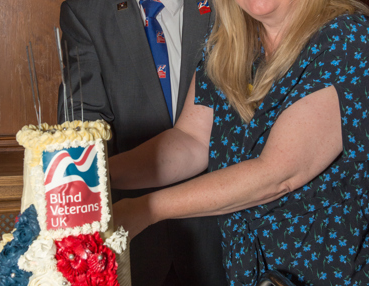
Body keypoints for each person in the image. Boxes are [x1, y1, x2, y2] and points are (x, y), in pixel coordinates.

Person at [109, 0, 369, 284]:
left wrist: (146, 210)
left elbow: (277, 174)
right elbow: (191, 140)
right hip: (250, 273)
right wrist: (98, 177)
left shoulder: (349, 38)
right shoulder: (231, 45)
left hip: (329, 273)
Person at [57, 0, 228, 285]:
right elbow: (84, 126)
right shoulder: (85, 11)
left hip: (222, 231)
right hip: (132, 236)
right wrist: (71, 179)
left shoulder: (235, 6)